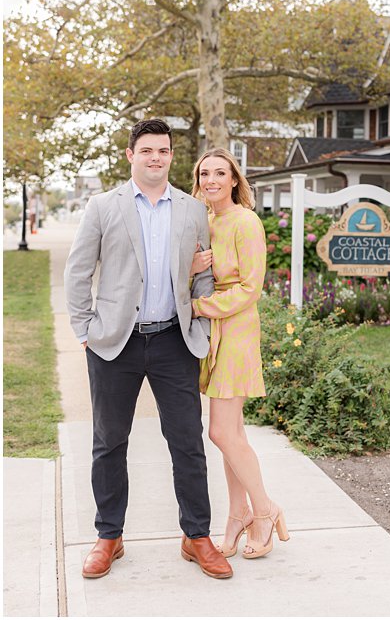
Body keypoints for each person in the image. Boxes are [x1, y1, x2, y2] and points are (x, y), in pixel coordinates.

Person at [64, 118, 232, 579]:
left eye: (163, 151)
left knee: (187, 443)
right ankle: (109, 536)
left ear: (172, 156)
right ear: (131, 156)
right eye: (147, 151)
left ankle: (197, 536)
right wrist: (85, 327)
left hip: (174, 341)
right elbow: (78, 272)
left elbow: (202, 275)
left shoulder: (192, 210)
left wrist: (198, 311)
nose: (156, 158)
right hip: (113, 343)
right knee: (108, 442)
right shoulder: (103, 206)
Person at [187, 148, 288, 558]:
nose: (211, 180)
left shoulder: (246, 222)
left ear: (234, 180)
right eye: (204, 173)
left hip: (237, 330)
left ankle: (264, 509)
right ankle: (237, 514)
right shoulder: (205, 222)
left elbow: (251, 288)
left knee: (220, 432)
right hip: (213, 335)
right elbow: (194, 274)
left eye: (220, 173)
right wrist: (192, 272)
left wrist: (198, 307)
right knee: (233, 435)